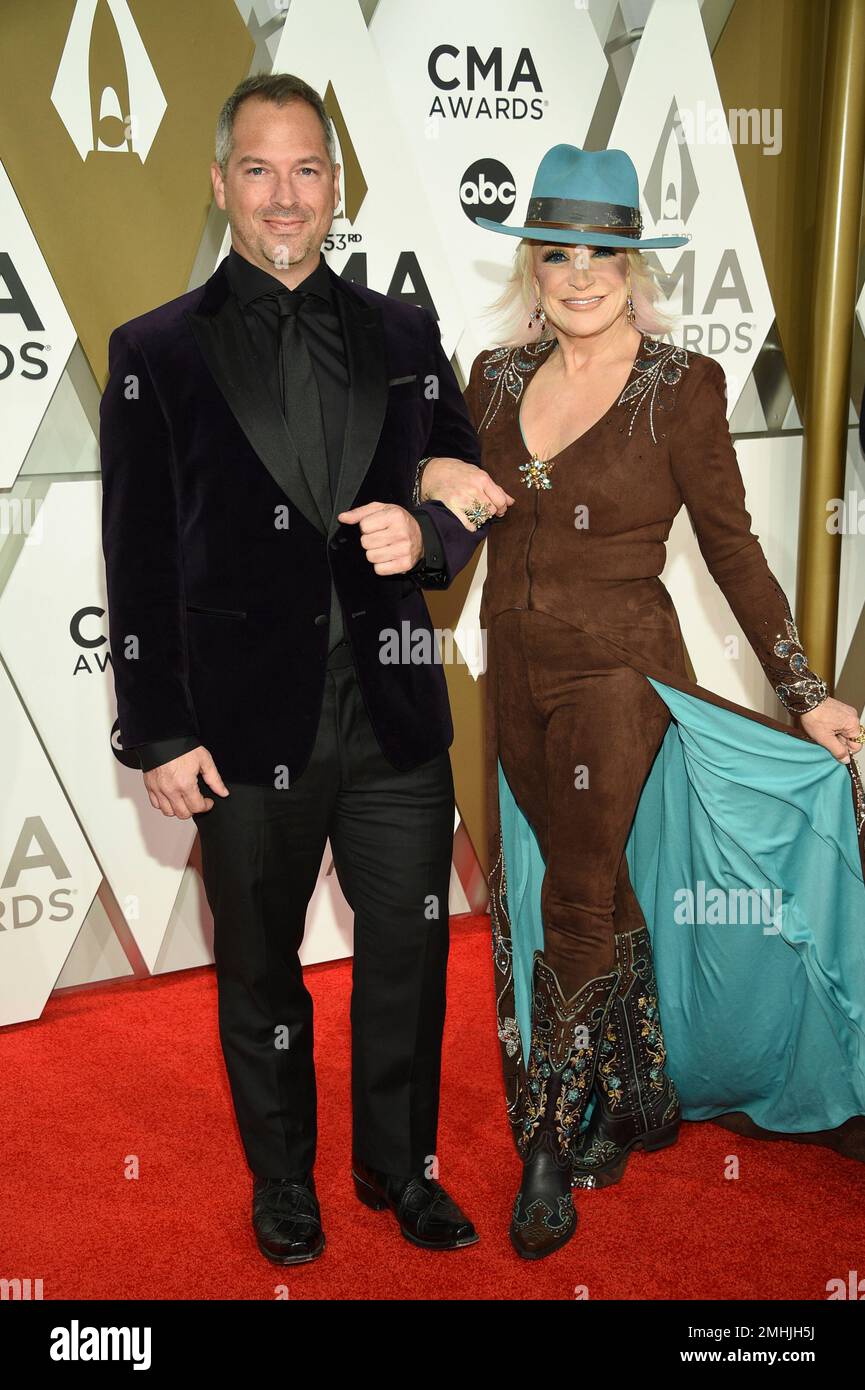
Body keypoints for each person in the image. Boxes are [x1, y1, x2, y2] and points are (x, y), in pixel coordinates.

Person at [418, 145, 865, 1260]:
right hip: (511, 673)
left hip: (621, 671)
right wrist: (428, 497)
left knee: (570, 891)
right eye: (558, 253)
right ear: (534, 263)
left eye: (601, 254)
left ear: (634, 264)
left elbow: (734, 554)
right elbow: (452, 557)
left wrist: (805, 693)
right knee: (597, 880)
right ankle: (641, 1096)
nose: (579, 275)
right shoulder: (492, 378)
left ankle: (546, 1145)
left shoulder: (683, 386)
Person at [99, 72, 491, 1266]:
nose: (285, 194)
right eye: (259, 170)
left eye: (307, 169)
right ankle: (285, 1182)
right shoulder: (153, 353)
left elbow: (469, 485)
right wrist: (158, 730)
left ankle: (397, 1165)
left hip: (391, 712)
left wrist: (425, 537)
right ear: (220, 184)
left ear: (337, 186)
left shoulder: (407, 334)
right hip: (241, 723)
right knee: (262, 972)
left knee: (410, 955)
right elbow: (137, 555)